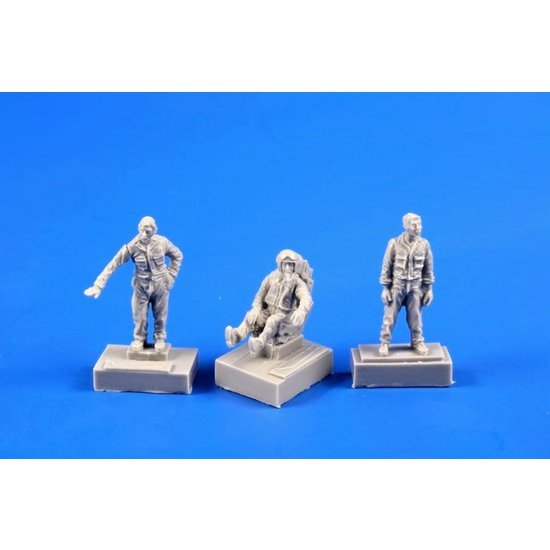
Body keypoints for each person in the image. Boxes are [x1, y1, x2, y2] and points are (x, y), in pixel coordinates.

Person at [84, 216, 183, 351]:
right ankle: (139, 338)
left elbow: (177, 255)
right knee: (139, 315)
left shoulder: (162, 242)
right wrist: (98, 285)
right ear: (139, 229)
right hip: (141, 285)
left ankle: (160, 337)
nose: (145, 234)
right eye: (143, 230)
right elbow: (113, 264)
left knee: (160, 314)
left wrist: (170, 276)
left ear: (154, 230)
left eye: (148, 230)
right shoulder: (132, 246)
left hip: (160, 284)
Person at [225, 249, 313, 357]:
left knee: (272, 321)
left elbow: (306, 298)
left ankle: (259, 342)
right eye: (285, 264)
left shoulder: (297, 283)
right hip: (268, 310)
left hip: (283, 315)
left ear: (295, 266)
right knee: (251, 317)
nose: (287, 268)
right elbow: (259, 295)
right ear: (280, 265)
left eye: (290, 265)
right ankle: (236, 335)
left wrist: (301, 311)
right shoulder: (271, 277)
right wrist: (256, 309)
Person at [378, 213, 434, 357]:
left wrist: (429, 289)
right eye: (414, 225)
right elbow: (386, 266)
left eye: (420, 224)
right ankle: (385, 342)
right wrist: (385, 288)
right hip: (397, 287)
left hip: (415, 288)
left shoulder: (424, 245)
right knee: (389, 316)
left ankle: (417, 341)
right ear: (406, 226)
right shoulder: (395, 243)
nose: (418, 228)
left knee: (416, 317)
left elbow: (428, 269)